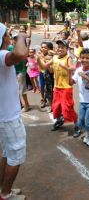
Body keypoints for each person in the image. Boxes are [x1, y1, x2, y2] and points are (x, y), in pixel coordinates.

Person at [0, 22, 28, 200]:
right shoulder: (1, 54)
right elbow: (20, 53)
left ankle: (2, 190)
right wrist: (21, 35)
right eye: (7, 35)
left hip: (3, 116)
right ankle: (5, 193)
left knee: (6, 153)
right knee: (16, 155)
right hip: (8, 117)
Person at [37, 40, 78, 134]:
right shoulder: (55, 58)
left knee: (68, 108)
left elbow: (73, 67)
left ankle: (77, 125)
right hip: (57, 88)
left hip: (66, 88)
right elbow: (43, 67)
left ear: (66, 49)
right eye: (58, 47)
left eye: (62, 47)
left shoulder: (68, 58)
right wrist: (39, 59)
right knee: (56, 107)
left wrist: (66, 68)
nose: (60, 49)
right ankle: (59, 120)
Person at [69, 48, 89, 146]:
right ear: (80, 58)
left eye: (87, 58)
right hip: (83, 100)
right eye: (83, 58)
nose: (85, 60)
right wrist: (68, 72)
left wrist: (86, 77)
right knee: (81, 121)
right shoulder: (78, 70)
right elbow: (70, 83)